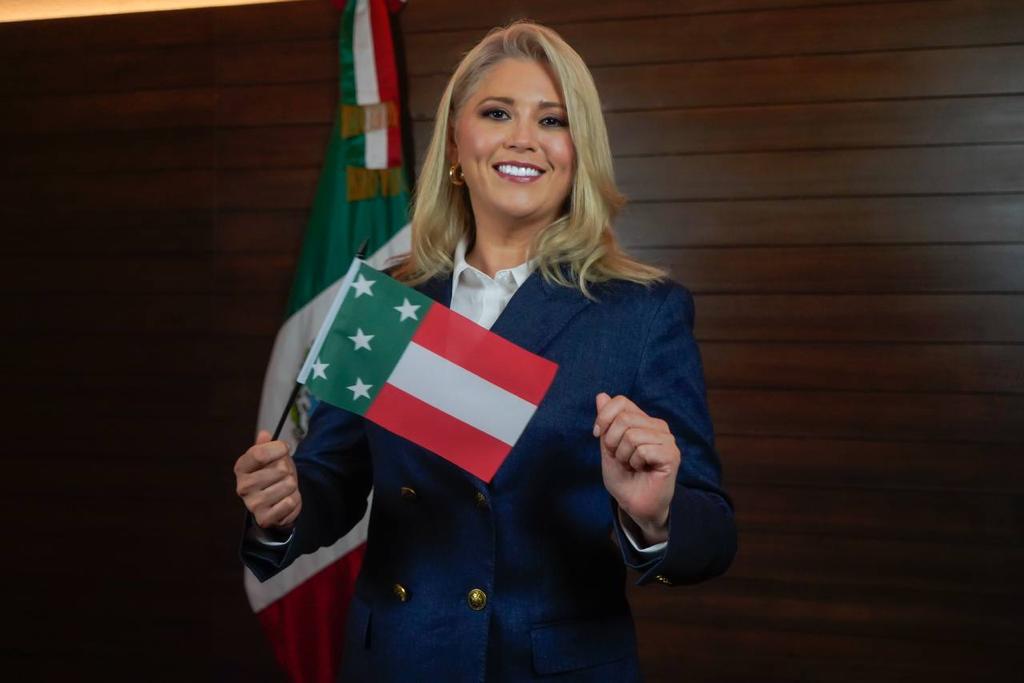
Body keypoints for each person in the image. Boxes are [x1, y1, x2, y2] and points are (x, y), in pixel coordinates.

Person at [235, 21, 736, 682]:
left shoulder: (642, 312)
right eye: (497, 112)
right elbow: (332, 478)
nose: (522, 137)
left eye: (552, 120)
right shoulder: (387, 302)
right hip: (397, 661)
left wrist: (656, 514)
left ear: (578, 151)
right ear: (454, 142)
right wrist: (287, 504)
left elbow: (712, 539)